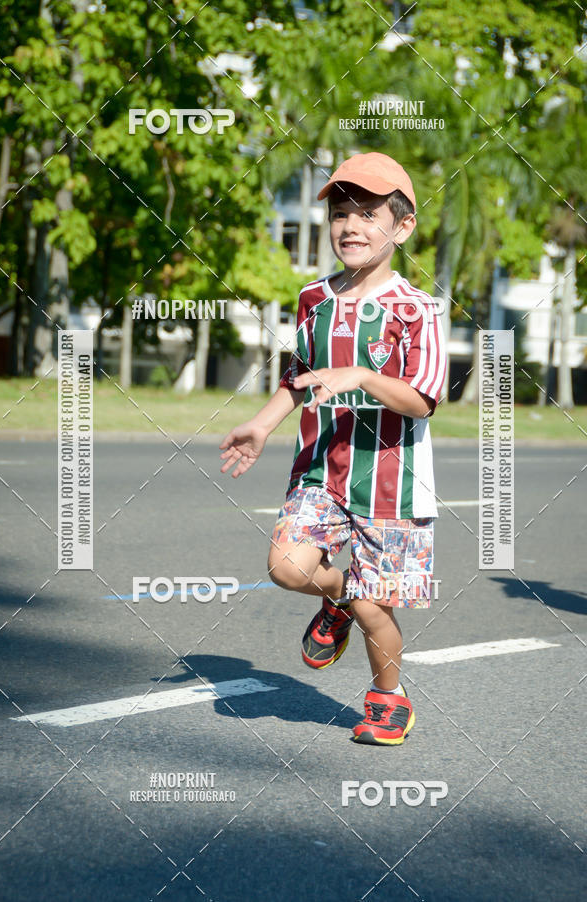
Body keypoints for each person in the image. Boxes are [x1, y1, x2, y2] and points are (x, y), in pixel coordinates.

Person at [220, 152, 446, 745]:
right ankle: (339, 598)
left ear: (402, 227)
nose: (350, 226)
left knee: (379, 609)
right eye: (341, 213)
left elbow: (422, 400)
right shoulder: (312, 299)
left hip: (390, 484)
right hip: (320, 469)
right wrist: (264, 424)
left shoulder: (419, 310)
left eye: (369, 214)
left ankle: (388, 696)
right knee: (287, 567)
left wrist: (362, 377)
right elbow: (298, 375)